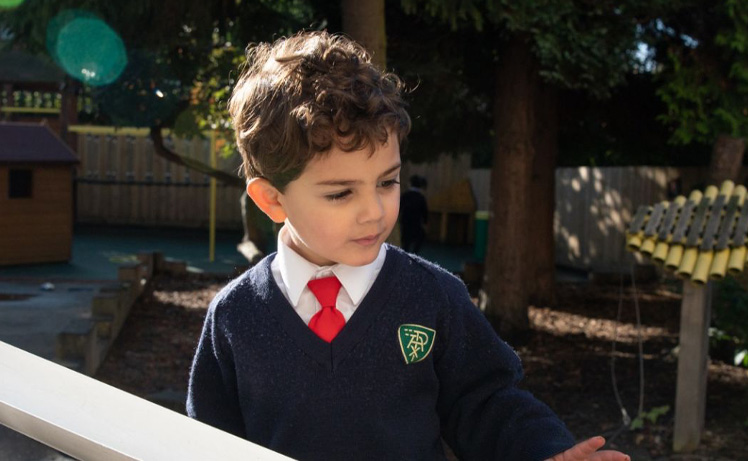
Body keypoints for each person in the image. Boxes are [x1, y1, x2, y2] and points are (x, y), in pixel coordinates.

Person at [187, 30, 629, 461]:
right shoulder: (234, 316)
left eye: (387, 181)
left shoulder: (435, 296)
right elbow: (205, 440)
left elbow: (487, 401)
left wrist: (542, 450)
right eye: (341, 193)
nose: (374, 211)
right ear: (272, 199)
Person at [399, 174, 429, 254]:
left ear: (410, 183)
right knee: (418, 241)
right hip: (416, 223)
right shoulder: (421, 197)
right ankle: (414, 255)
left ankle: (404, 257)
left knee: (406, 243)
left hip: (405, 222)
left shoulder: (405, 195)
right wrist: (425, 223)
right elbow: (425, 212)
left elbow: (399, 208)